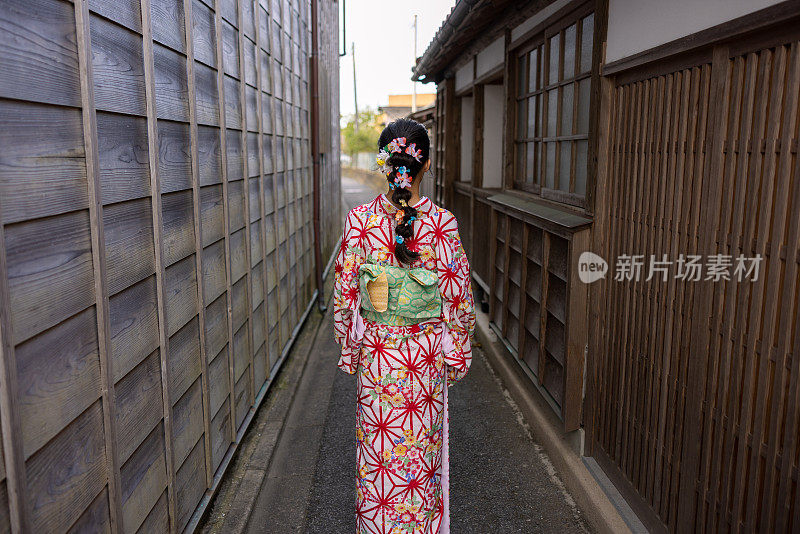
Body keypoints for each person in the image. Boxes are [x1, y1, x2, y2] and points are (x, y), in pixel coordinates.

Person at [333, 118, 476, 533]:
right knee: (420, 463)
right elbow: (458, 299)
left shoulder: (360, 220)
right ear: (426, 165)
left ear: (384, 164)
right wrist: (457, 353)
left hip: (378, 360)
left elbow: (345, 296)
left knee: (378, 463)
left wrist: (351, 349)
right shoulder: (441, 223)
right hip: (424, 360)